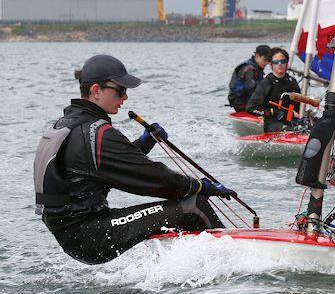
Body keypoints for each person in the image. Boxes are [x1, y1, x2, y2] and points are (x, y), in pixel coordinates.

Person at [34, 54, 237, 265]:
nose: (125, 97)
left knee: (185, 205)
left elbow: (106, 166)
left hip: (74, 234)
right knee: (194, 205)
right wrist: (198, 186)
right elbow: (153, 178)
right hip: (90, 234)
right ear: (96, 91)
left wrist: (144, 143)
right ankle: (233, 260)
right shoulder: (97, 133)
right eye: (120, 90)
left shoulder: (67, 125)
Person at [246, 47, 302, 132]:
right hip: (274, 124)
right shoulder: (266, 83)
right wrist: (272, 112)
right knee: (289, 129)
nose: (280, 64)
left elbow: (299, 105)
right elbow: (250, 108)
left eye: (283, 61)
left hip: (292, 120)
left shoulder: (292, 82)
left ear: (287, 64)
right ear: (271, 65)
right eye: (276, 62)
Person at [227, 44, 271, 112]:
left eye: (268, 61)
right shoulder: (249, 69)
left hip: (246, 98)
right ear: (257, 56)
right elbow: (251, 88)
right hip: (240, 100)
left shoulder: (257, 67)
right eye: (264, 60)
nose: (266, 63)